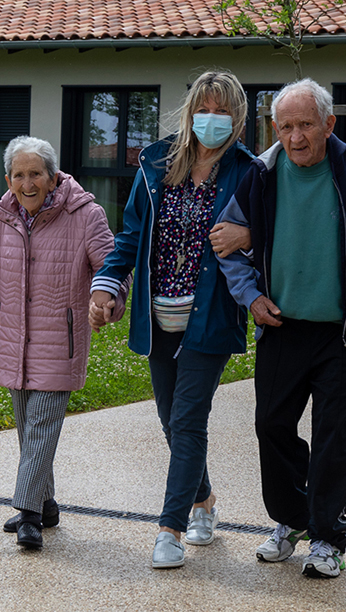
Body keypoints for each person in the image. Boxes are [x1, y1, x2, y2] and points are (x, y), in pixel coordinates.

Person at [216, 78, 346, 578]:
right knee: (272, 426)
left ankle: (328, 535)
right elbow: (226, 246)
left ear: (329, 124)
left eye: (306, 124)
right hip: (282, 326)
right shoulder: (261, 176)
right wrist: (251, 297)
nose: (296, 136)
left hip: (343, 332)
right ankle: (293, 518)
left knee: (332, 433)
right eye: (285, 126)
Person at [89, 70, 256, 569]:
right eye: (204, 107)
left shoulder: (248, 172)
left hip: (210, 317)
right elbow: (131, 234)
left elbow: (265, 235)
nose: (212, 118)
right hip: (158, 314)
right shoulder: (157, 164)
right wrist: (106, 282)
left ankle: (170, 529)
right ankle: (202, 498)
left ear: (238, 118)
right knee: (170, 420)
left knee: (188, 420)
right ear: (189, 112)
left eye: (223, 111)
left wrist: (248, 238)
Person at [0, 135, 126, 551]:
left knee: (41, 428)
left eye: (36, 174)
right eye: (19, 175)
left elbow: (114, 266)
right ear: (9, 179)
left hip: (60, 341)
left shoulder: (85, 214)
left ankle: (28, 515)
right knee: (29, 431)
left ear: (53, 176)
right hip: (13, 342)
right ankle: (47, 503)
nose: (28, 183)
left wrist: (106, 300)